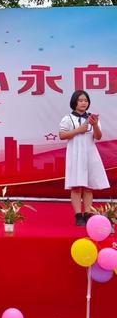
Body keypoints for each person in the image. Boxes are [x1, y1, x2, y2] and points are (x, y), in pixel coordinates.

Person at [59, 90, 109, 226]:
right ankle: (78, 215)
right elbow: (62, 135)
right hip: (75, 154)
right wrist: (78, 130)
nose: (83, 103)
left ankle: (87, 213)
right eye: (80, 100)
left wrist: (94, 125)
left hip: (90, 153)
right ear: (74, 102)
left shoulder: (92, 118)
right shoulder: (68, 118)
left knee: (88, 187)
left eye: (85, 101)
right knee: (76, 187)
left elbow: (98, 137)